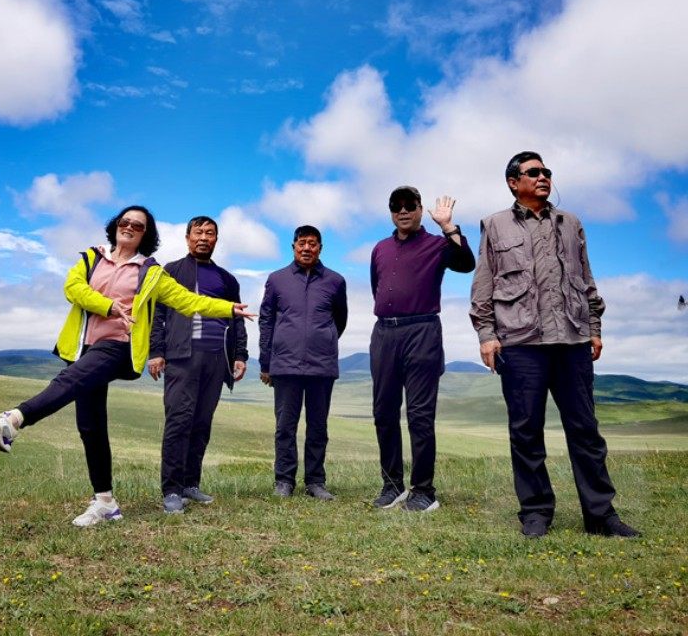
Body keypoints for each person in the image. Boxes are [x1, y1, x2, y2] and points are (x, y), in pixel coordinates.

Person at [0, 205, 253, 527]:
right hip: (83, 347)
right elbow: (73, 289)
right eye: (125, 221)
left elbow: (187, 300)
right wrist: (108, 306)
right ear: (116, 225)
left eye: (138, 225)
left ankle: (12, 420)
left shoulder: (150, 271)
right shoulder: (92, 258)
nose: (129, 226)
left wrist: (228, 309)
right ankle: (105, 502)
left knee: (66, 383)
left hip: (119, 344)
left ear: (146, 234)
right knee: (91, 426)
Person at [470, 151, 639, 538]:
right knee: (526, 431)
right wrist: (487, 335)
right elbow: (484, 284)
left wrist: (594, 327)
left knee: (585, 431)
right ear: (514, 182)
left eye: (546, 171)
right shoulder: (495, 225)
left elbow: (586, 278)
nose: (543, 177)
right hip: (520, 342)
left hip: (571, 340)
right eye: (534, 172)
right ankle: (535, 512)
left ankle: (600, 515)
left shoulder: (571, 223)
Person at [370, 186, 475, 512]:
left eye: (409, 205)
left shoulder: (437, 245)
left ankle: (423, 491)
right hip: (384, 333)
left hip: (422, 331)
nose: (403, 211)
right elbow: (377, 287)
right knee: (383, 412)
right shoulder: (380, 248)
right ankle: (392, 486)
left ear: (419, 209)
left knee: (419, 415)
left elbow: (466, 263)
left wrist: (448, 226)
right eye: (396, 206)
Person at [149, 215, 248, 515]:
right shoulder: (171, 271)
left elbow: (236, 319)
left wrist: (240, 355)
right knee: (179, 421)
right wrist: (156, 351)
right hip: (181, 356)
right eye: (198, 232)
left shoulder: (227, 279)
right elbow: (157, 315)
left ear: (216, 239)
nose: (204, 238)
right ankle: (171, 489)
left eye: (210, 233)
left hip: (216, 359)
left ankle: (190, 484)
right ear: (187, 237)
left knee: (202, 423)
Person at [259, 226, 347, 500]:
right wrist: (266, 362)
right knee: (285, 426)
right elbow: (266, 320)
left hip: (322, 365)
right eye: (302, 243)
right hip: (285, 365)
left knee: (318, 426)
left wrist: (323, 339)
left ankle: (315, 481)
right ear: (293, 246)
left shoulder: (335, 281)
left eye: (312, 243)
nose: (307, 248)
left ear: (320, 248)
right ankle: (284, 480)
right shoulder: (277, 279)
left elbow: (340, 319)